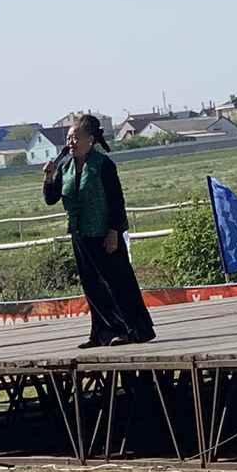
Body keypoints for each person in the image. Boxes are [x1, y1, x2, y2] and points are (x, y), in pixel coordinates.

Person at [42, 115, 157, 348]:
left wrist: (114, 231)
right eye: (69, 138)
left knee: (117, 283)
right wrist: (48, 176)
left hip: (104, 233)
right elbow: (51, 198)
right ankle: (102, 333)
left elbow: (116, 200)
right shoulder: (65, 166)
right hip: (80, 233)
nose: (71, 142)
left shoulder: (103, 165)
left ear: (91, 139)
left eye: (76, 138)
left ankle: (135, 330)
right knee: (92, 285)